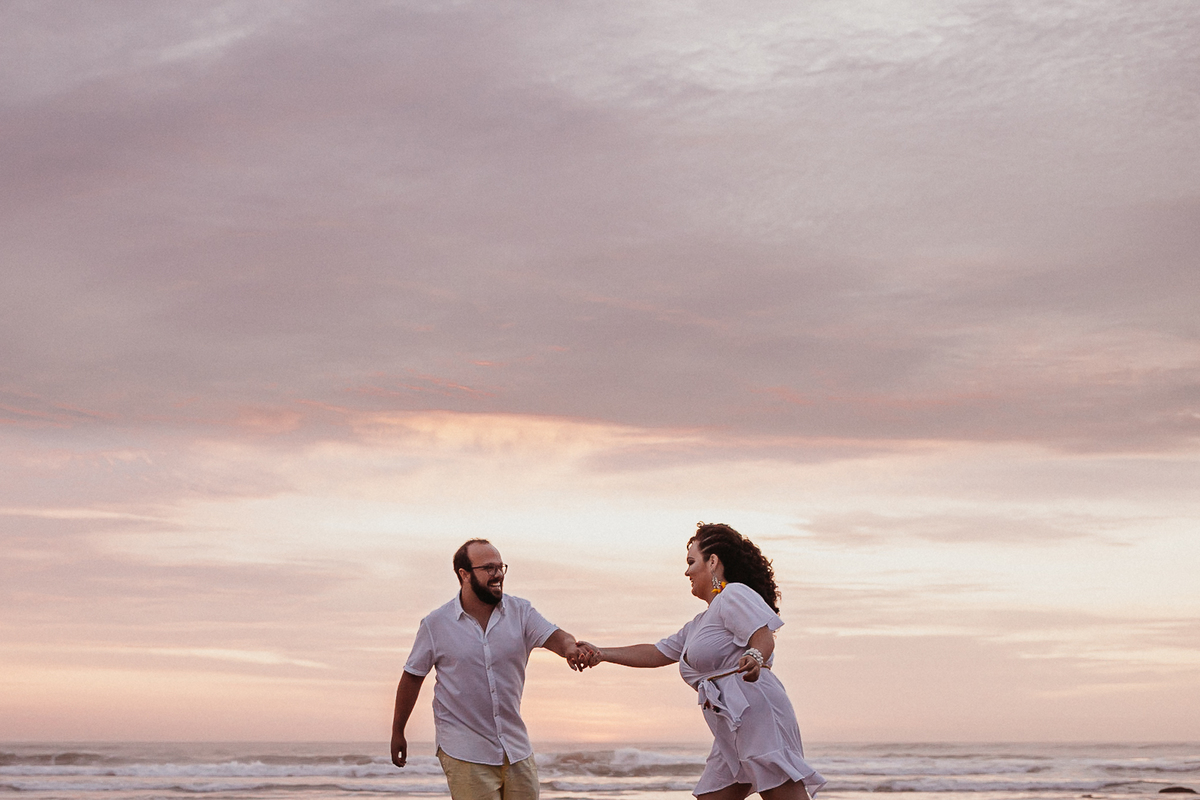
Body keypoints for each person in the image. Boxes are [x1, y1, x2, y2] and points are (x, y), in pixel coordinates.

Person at [578, 523, 826, 800]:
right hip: (728, 722)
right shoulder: (698, 624)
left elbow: (762, 636)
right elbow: (657, 652)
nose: (686, 572)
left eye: (691, 562)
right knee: (711, 796)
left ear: (713, 562)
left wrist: (755, 657)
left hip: (756, 712)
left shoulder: (734, 594)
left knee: (784, 795)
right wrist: (601, 654)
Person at [391, 538, 589, 800]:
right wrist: (398, 732)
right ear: (464, 574)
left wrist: (570, 649)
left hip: (515, 747)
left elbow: (556, 636)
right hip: (464, 749)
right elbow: (412, 678)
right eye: (488, 568)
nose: (497, 574)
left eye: (500, 567)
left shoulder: (521, 612)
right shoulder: (436, 624)